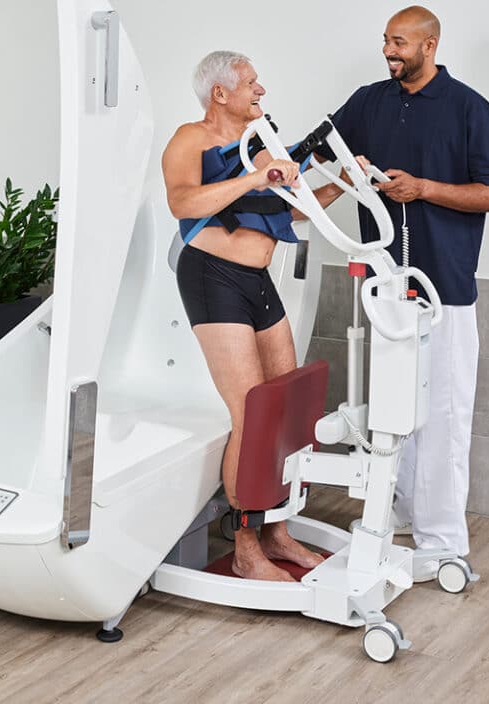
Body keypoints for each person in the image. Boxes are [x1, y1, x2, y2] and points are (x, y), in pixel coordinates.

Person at [333, 6, 489, 569]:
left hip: (445, 289)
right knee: (392, 408)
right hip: (387, 287)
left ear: (430, 45)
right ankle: (401, 513)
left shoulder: (468, 108)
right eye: (386, 39)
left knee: (444, 413)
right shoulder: (369, 101)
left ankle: (442, 542)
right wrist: (345, 171)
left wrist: (425, 188)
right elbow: (322, 150)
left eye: (400, 42)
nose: (389, 50)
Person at [162, 51, 341, 581]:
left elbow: (290, 209)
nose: (261, 90)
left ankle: (277, 532)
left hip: (259, 280)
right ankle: (244, 547)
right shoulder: (189, 139)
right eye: (250, 82)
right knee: (250, 413)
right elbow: (182, 204)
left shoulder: (262, 145)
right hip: (212, 278)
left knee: (284, 408)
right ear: (221, 93)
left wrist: (347, 183)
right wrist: (253, 178)